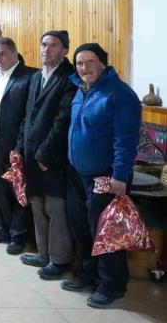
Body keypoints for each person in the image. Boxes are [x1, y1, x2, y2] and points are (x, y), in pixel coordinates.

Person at [63, 43, 140, 309]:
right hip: (78, 172)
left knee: (106, 231)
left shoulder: (120, 94)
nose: (84, 67)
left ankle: (112, 285)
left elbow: (126, 140)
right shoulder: (81, 89)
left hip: (106, 174)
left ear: (103, 63)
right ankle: (89, 275)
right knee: (83, 227)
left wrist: (120, 175)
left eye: (90, 62)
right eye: (80, 63)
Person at [17, 31, 77, 280]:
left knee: (55, 208)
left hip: (53, 157)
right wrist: (20, 147)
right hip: (32, 153)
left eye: (53, 45)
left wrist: (45, 154)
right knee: (38, 205)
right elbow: (28, 115)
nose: (47, 49)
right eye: (44, 44)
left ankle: (60, 260)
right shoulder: (36, 76)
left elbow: (62, 121)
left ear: (65, 50)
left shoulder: (69, 78)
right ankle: (43, 253)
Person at [0, 37, 35, 253]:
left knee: (17, 191)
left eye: (2, 53)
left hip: (14, 146)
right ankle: (2, 228)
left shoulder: (29, 77)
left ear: (14, 53)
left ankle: (18, 235)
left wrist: (20, 146)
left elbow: (28, 116)